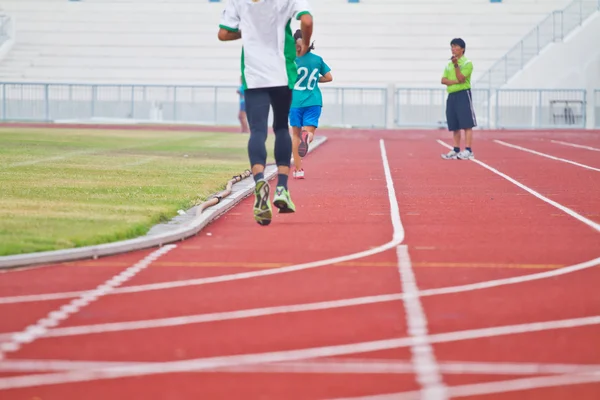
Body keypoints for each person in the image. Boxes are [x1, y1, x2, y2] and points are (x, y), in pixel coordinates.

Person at [218, 0, 313, 226]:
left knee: (257, 131)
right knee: (281, 127)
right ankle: (281, 187)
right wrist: (305, 44)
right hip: (281, 74)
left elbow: (223, 34)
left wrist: (250, 33)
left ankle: (259, 181)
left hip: (254, 76)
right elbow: (307, 20)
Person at [289, 29, 333, 179]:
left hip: (295, 101)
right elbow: (329, 77)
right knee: (309, 132)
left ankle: (299, 170)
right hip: (313, 100)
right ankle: (306, 136)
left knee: (295, 136)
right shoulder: (317, 59)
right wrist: (315, 80)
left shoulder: (290, 60)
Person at [440, 38, 477, 160]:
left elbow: (461, 78)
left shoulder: (467, 63)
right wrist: (454, 81)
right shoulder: (448, 64)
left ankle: (468, 150)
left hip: (463, 94)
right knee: (454, 124)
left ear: (462, 49)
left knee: (466, 124)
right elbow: (443, 80)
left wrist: (456, 65)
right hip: (452, 95)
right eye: (451, 47)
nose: (453, 49)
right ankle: (456, 149)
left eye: (455, 47)